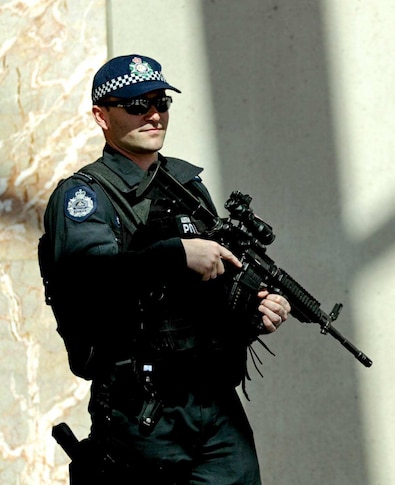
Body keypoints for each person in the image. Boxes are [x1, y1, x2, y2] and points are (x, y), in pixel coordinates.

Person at [39, 54, 291, 484]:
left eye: (161, 102)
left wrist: (254, 309)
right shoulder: (85, 197)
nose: (154, 115)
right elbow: (88, 278)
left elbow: (212, 286)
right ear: (102, 115)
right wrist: (176, 254)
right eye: (136, 106)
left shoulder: (187, 186)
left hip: (213, 402)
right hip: (143, 410)